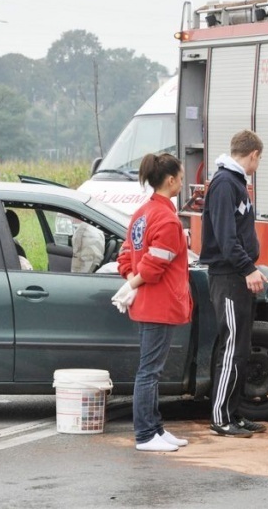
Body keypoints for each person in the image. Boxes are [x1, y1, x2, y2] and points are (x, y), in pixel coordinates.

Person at [116, 152, 192, 452]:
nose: (182, 183)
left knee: (151, 370)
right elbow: (155, 264)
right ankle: (146, 434)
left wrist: (131, 279)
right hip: (160, 304)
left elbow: (125, 255)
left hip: (147, 303)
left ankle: (156, 428)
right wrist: (136, 280)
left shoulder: (142, 213)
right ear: (171, 180)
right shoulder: (166, 219)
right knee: (149, 371)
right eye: (182, 178)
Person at [200, 130, 268, 437]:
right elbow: (227, 238)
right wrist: (247, 269)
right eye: (259, 159)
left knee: (240, 348)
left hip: (237, 276)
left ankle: (234, 411)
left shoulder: (236, 182)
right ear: (253, 154)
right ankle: (220, 417)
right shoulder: (225, 184)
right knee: (231, 348)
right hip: (228, 277)